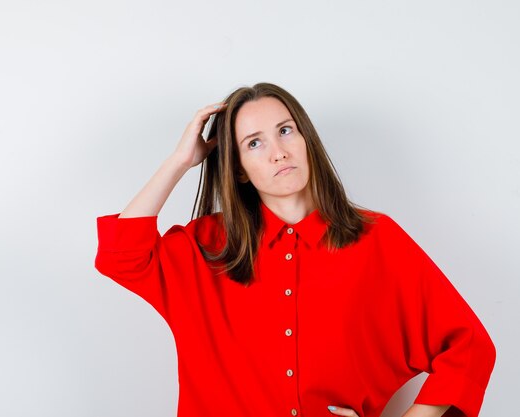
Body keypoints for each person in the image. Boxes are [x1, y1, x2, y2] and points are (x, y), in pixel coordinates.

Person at [94, 82, 495, 417]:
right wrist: (181, 161)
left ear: (306, 139)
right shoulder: (207, 247)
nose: (277, 152)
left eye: (285, 131)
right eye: (254, 143)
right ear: (237, 168)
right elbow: (120, 255)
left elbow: (469, 347)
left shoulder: (376, 238)